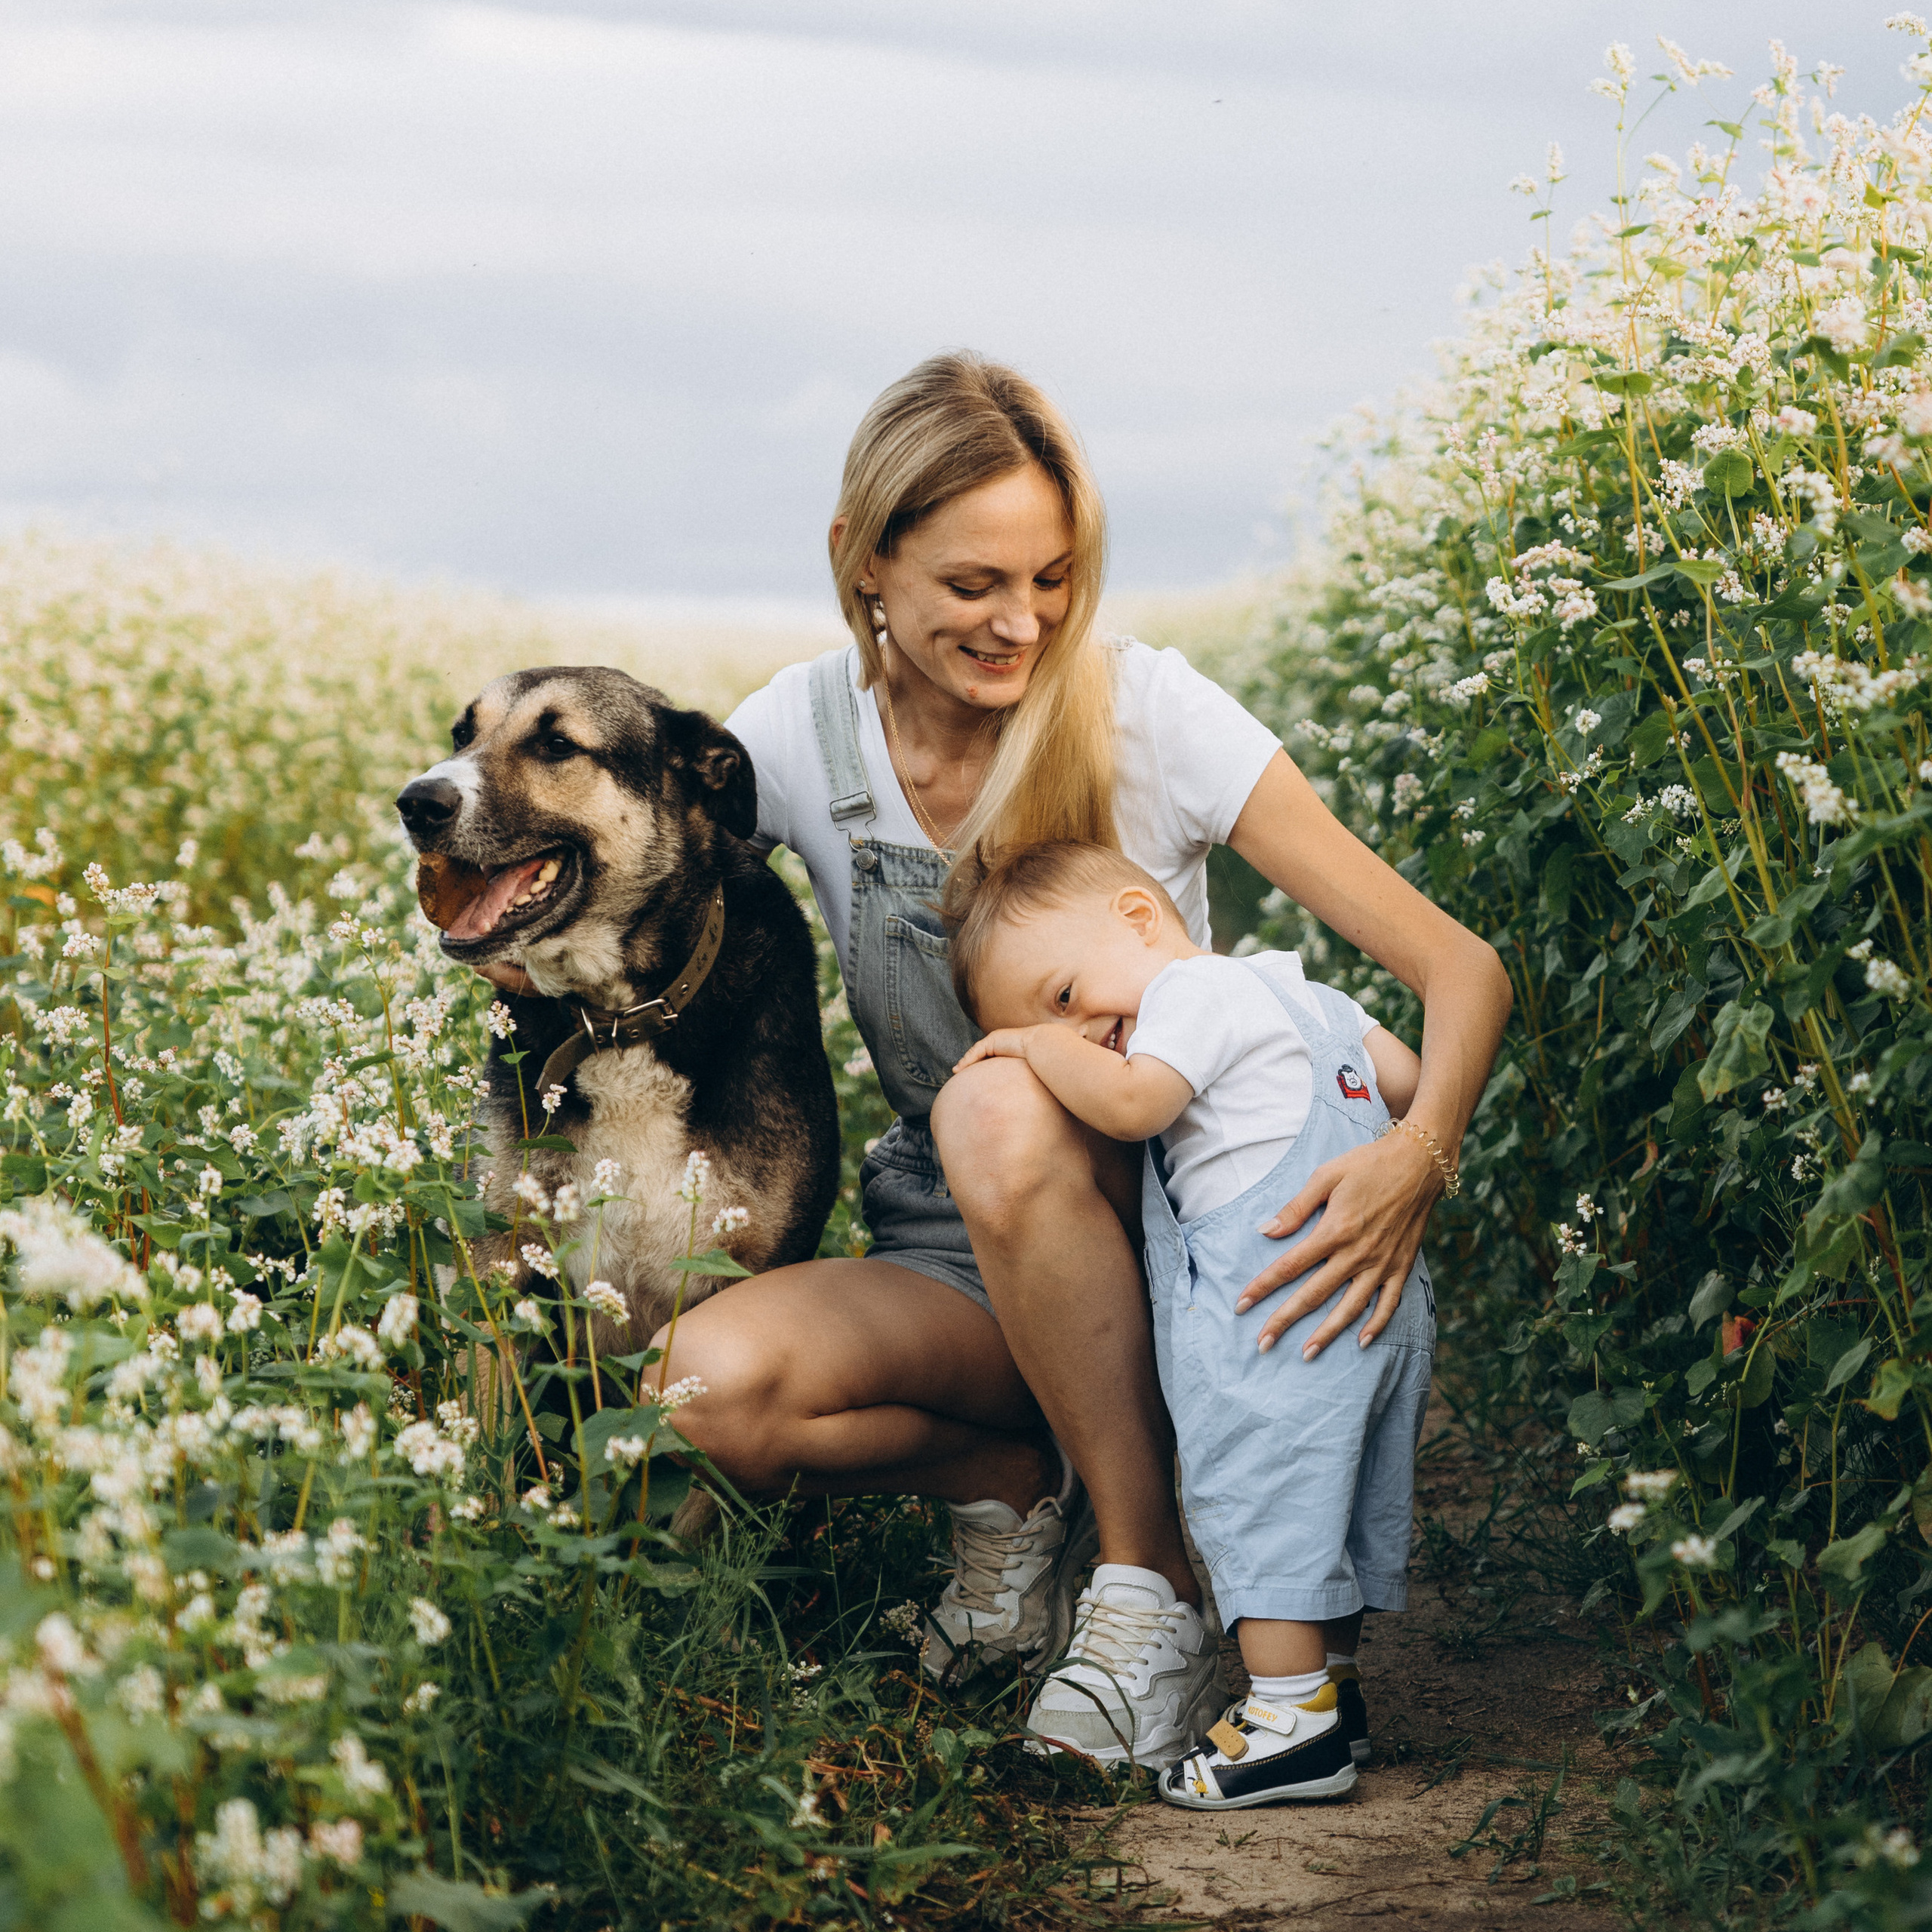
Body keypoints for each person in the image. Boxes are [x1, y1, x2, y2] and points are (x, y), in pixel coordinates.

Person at [648, 350, 1512, 1767]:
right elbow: (656, 896)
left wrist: (1417, 1163)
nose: (1023, 622)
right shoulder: (799, 739)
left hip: (1185, 1251)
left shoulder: (1147, 713)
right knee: (704, 1397)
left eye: (1052, 579)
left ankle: (1148, 1586)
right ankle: (1010, 1488)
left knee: (1000, 1095)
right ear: (863, 562)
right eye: (974, 584)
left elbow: (1459, 969)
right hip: (960, 1252)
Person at [947, 840, 1438, 1804]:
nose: (1084, 1033)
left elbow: (1136, 1108)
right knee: (1329, 1504)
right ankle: (1333, 1693)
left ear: (1139, 918)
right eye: (1057, 1024)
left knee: (1262, 1498)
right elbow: (1406, 1079)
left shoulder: (1188, 995)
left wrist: (1034, 1047)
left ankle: (1289, 1719)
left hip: (1277, 1302)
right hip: (1380, 1294)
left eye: (1064, 996)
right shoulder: (1298, 993)